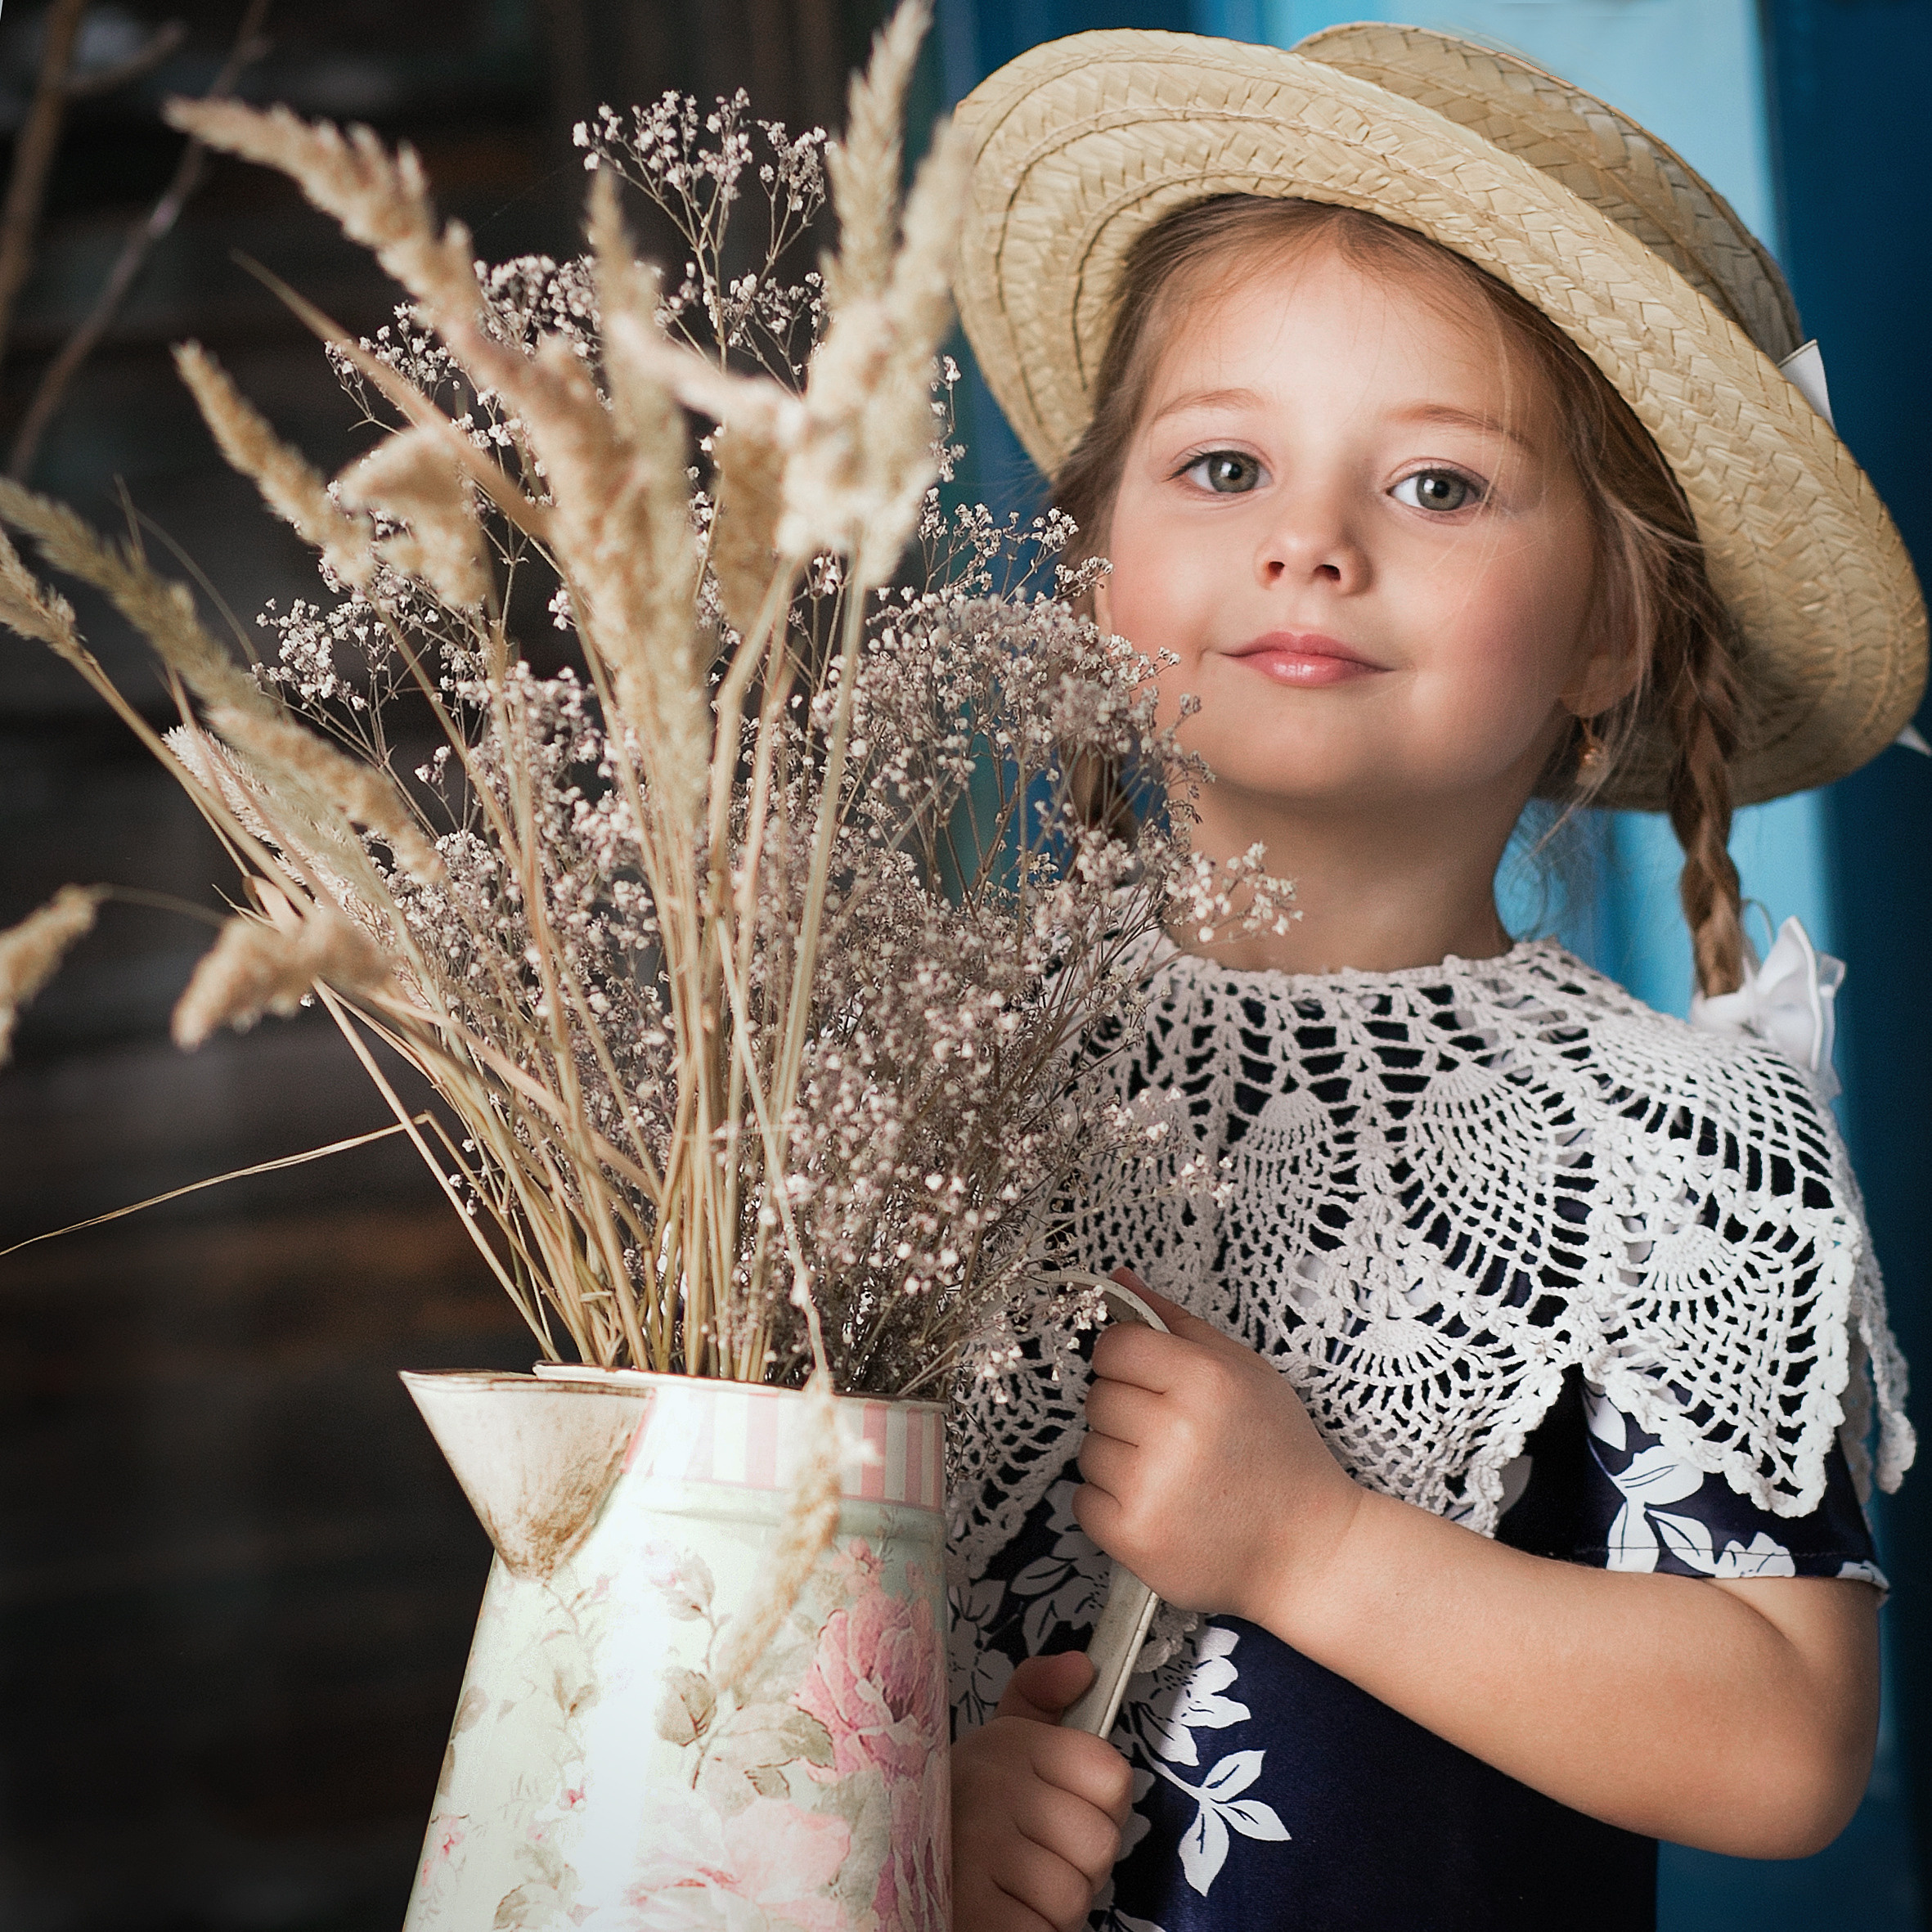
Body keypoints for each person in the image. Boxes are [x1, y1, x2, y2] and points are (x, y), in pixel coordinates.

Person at [941, 24, 1926, 1932]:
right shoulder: (924, 1090)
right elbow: (734, 1634)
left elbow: (1784, 1741)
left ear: (1609, 625)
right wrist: (913, 1806)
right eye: (1223, 464)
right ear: (1093, 566)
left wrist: (1306, 1543)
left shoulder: (1674, 1130)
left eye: (1438, 486)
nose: (1306, 542)